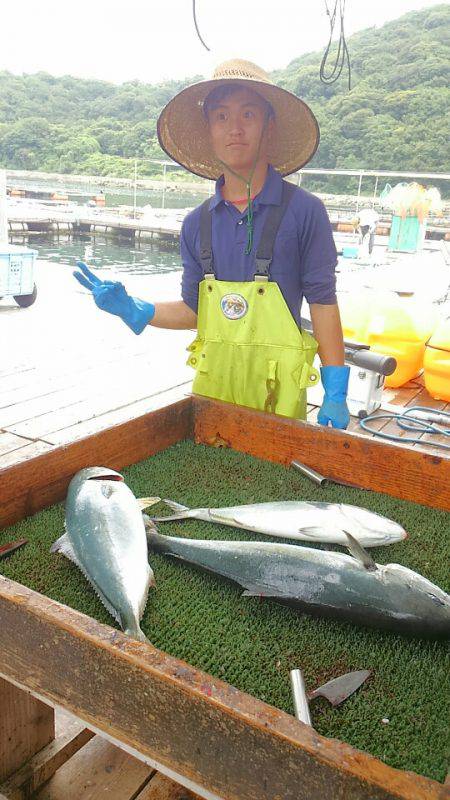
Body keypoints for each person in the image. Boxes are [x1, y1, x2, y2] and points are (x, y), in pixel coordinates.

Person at [74, 59, 350, 429]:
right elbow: (195, 310)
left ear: (269, 126)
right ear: (208, 130)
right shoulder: (195, 224)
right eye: (221, 116)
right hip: (211, 395)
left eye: (248, 114)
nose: (234, 128)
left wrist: (336, 390)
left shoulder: (305, 212)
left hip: (279, 397)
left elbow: (322, 303)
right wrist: (137, 309)